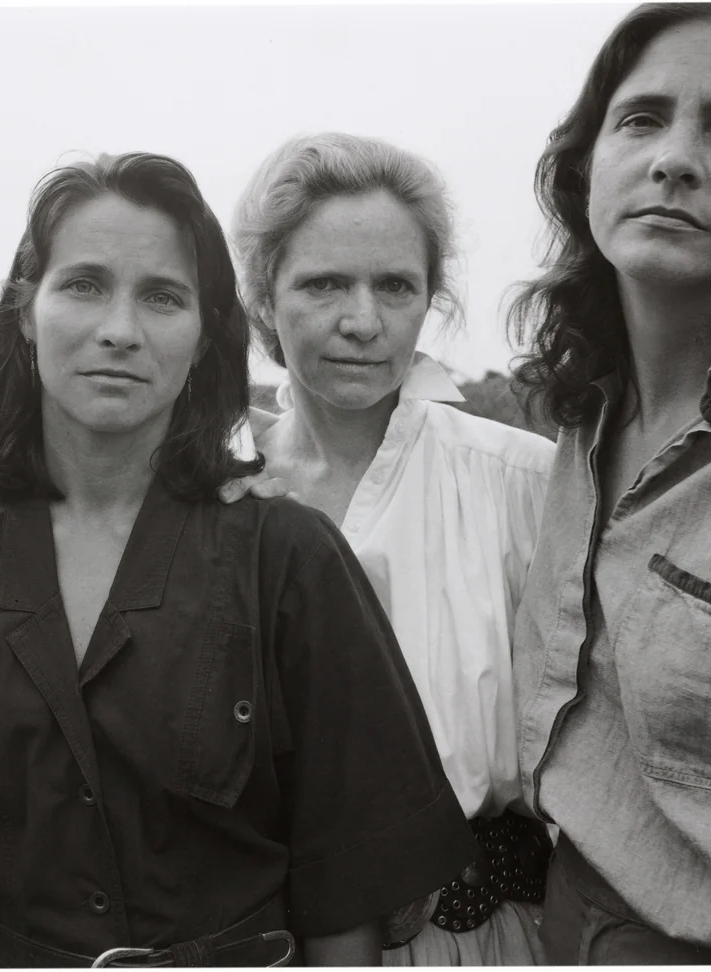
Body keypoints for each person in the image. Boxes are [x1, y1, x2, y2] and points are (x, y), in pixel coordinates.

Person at [0, 151, 477, 968]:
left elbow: (346, 915)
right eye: (84, 284)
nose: (120, 329)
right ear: (26, 309)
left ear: (203, 337)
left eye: (163, 296)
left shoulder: (287, 557)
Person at [507, 2, 711, 963]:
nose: (674, 159)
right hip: (559, 922)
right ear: (586, 165)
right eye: (641, 118)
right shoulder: (582, 415)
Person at [229, 133, 556, 966]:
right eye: (324, 283)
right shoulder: (210, 496)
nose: (363, 321)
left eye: (395, 287)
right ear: (264, 297)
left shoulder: (522, 484)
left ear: (429, 300)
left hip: (473, 940)